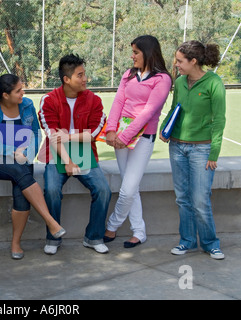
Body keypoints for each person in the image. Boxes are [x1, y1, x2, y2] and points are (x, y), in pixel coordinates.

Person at [0, 74, 66, 260]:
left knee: (21, 188)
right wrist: (13, 151)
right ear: (5, 95)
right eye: (18, 90)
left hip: (23, 159)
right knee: (21, 172)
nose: (23, 93)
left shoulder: (27, 105)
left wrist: (27, 155)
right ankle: (51, 222)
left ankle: (16, 242)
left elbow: (36, 134)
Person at [38, 54, 112, 255]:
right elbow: (53, 137)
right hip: (56, 154)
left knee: (103, 190)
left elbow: (94, 134)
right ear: (66, 79)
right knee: (52, 190)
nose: (85, 79)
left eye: (84, 74)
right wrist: (69, 162)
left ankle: (93, 237)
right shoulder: (49, 100)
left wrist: (69, 136)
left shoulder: (94, 100)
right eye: (80, 75)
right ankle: (53, 238)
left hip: (84, 152)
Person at [104, 35, 172, 248]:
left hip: (142, 139)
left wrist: (124, 137)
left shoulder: (163, 79)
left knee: (128, 189)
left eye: (136, 52)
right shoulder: (129, 74)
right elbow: (118, 102)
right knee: (130, 187)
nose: (132, 56)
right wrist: (111, 130)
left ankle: (112, 226)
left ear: (148, 53)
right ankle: (139, 231)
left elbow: (148, 112)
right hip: (120, 138)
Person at [160, 40, 226, 260]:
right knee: (182, 198)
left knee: (200, 199)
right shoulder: (179, 82)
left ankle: (210, 243)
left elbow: (219, 120)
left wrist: (214, 152)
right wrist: (164, 128)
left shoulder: (214, 83)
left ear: (193, 61)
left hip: (202, 150)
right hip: (177, 146)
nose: (176, 64)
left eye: (180, 61)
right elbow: (174, 109)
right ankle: (187, 241)